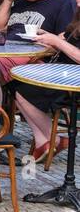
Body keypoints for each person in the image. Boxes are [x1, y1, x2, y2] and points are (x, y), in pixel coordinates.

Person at [12, 14, 80, 161]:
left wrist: (56, 41)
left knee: (24, 89)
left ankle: (53, 140)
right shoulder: (77, 21)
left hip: (74, 84)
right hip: (61, 75)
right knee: (16, 85)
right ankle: (44, 142)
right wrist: (48, 37)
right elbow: (65, 43)